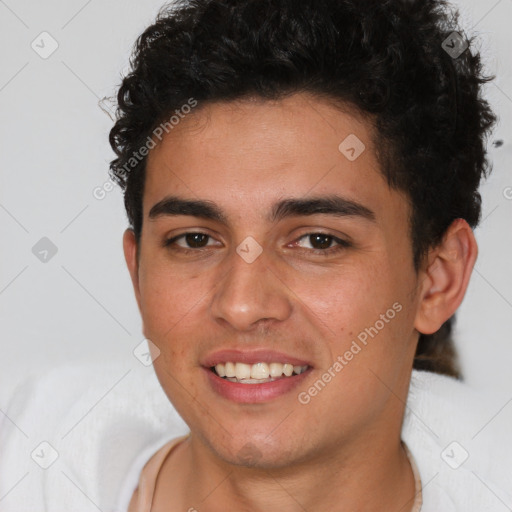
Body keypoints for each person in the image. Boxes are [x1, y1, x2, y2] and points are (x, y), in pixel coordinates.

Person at [0, 0, 510, 511]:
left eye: (318, 241)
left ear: (438, 278)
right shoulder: (31, 462)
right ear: (137, 272)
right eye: (194, 240)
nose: (242, 305)